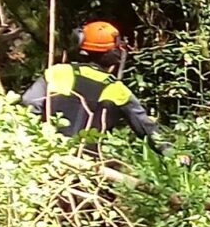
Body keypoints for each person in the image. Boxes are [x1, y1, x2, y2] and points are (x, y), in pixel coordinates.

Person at [22, 20, 166, 147]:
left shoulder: (57, 72)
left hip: (48, 152)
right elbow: (147, 129)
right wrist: (173, 153)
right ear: (114, 54)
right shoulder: (117, 90)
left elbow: (29, 102)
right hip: (90, 165)